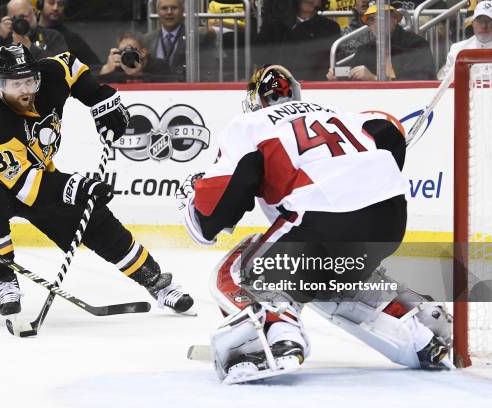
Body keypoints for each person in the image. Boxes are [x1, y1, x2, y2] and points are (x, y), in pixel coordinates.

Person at [176, 65, 453, 384]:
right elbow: (390, 133)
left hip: (322, 216)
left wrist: (191, 202)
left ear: (255, 100)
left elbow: (213, 219)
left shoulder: (249, 124)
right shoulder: (337, 113)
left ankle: (272, 336)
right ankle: (418, 327)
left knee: (242, 271)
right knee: (327, 274)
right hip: (389, 215)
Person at [0, 44, 194, 316]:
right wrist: (78, 186)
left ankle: (157, 283)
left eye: (29, 81)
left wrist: (99, 99)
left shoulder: (51, 75)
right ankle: (5, 279)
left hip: (37, 172)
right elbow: (23, 186)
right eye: (14, 84)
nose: (24, 91)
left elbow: (72, 64)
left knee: (93, 219)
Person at [327, 4, 436, 80]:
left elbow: (420, 81)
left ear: (394, 19)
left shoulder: (416, 44)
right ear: (368, 26)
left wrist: (374, 79)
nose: (377, 22)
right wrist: (337, 76)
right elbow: (351, 73)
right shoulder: (365, 50)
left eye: (382, 17)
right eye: (371, 19)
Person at [256, 0, 340, 80]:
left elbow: (332, 64)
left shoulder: (329, 28)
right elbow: (259, 56)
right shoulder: (276, 27)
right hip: (279, 87)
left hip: (316, 88)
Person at [438, 1, 492, 80]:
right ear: (473, 24)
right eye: (479, 21)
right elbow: (444, 81)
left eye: (488, 21)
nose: (484, 26)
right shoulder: (457, 49)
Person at [97, 31, 180, 83]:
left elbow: (170, 83)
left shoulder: (159, 65)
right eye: (122, 51)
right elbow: (90, 84)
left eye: (131, 50)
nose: (127, 55)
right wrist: (105, 70)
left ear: (143, 52)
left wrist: (139, 75)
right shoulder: (117, 65)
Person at [37, 0, 101, 66]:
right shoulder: (29, 34)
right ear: (40, 4)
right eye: (51, 3)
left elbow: (95, 65)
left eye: (60, 4)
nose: (55, 8)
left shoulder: (71, 38)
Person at [0, 0, 68, 60]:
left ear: (35, 13)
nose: (20, 22)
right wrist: (1, 39)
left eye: (23, 16)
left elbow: (62, 66)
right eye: (16, 18)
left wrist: (30, 48)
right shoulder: (6, 39)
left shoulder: (53, 37)